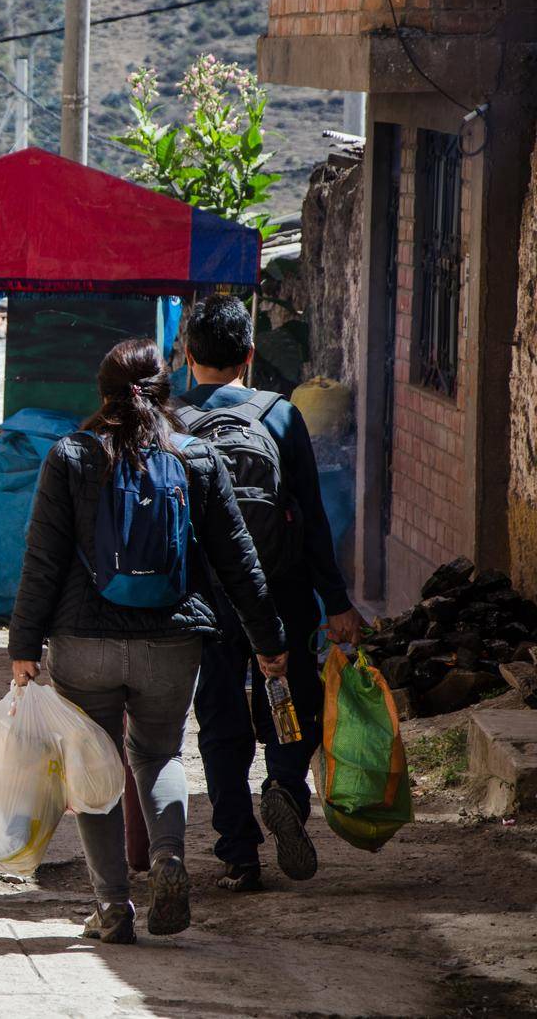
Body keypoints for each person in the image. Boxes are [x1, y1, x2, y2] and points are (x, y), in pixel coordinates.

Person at [9, 337, 287, 944]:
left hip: (84, 640)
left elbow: (42, 560)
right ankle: (168, 860)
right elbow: (239, 563)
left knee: (95, 766)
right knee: (158, 754)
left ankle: (112, 907)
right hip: (172, 640)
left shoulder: (71, 456)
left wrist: (23, 645)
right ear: (164, 389)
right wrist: (268, 641)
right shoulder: (198, 458)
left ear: (102, 392)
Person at [175, 294, 363, 892]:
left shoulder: (170, 422)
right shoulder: (279, 415)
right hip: (278, 591)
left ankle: (238, 851)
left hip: (206, 600)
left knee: (221, 718)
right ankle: (284, 784)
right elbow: (309, 514)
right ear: (250, 356)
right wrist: (334, 602)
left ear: (187, 355)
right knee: (288, 697)